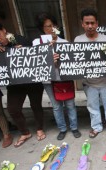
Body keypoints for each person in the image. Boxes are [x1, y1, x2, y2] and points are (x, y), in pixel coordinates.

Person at [0, 17, 46, 147]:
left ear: (3, 30)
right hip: (14, 84)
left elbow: (38, 59)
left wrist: (23, 51)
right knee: (12, 109)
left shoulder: (22, 40)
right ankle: (25, 132)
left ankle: (39, 128)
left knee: (36, 106)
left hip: (32, 81)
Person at [33, 12, 81, 140]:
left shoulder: (64, 42)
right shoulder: (37, 42)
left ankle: (74, 127)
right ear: (42, 28)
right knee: (56, 106)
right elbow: (35, 62)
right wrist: (49, 60)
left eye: (52, 25)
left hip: (64, 78)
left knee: (70, 104)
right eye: (47, 26)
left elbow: (71, 61)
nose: (50, 28)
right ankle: (62, 128)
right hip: (48, 80)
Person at [74, 8, 106, 138]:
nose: (90, 26)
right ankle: (96, 127)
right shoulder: (78, 40)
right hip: (88, 82)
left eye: (92, 23)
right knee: (92, 106)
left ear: (97, 24)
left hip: (105, 81)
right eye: (87, 23)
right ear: (82, 24)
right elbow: (75, 60)